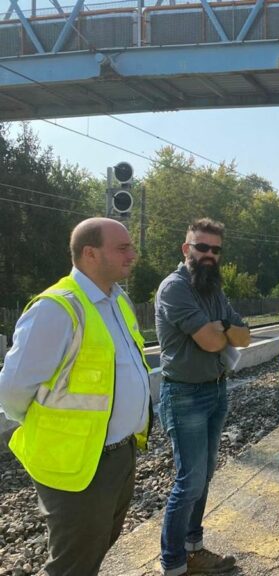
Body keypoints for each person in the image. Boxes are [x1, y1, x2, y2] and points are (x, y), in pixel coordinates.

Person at [0, 217, 150, 576]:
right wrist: (55, 430)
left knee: (95, 549)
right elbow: (12, 391)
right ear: (90, 253)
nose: (134, 254)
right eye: (123, 247)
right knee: (72, 563)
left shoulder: (118, 300)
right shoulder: (57, 308)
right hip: (78, 464)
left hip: (120, 454)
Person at [155, 218, 251, 576]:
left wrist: (221, 328)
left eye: (215, 250)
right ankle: (174, 563)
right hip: (184, 395)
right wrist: (221, 332)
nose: (209, 255)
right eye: (202, 248)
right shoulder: (174, 288)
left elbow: (244, 337)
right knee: (189, 480)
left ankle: (194, 547)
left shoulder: (213, 290)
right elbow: (212, 343)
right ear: (187, 249)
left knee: (205, 474)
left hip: (215, 390)